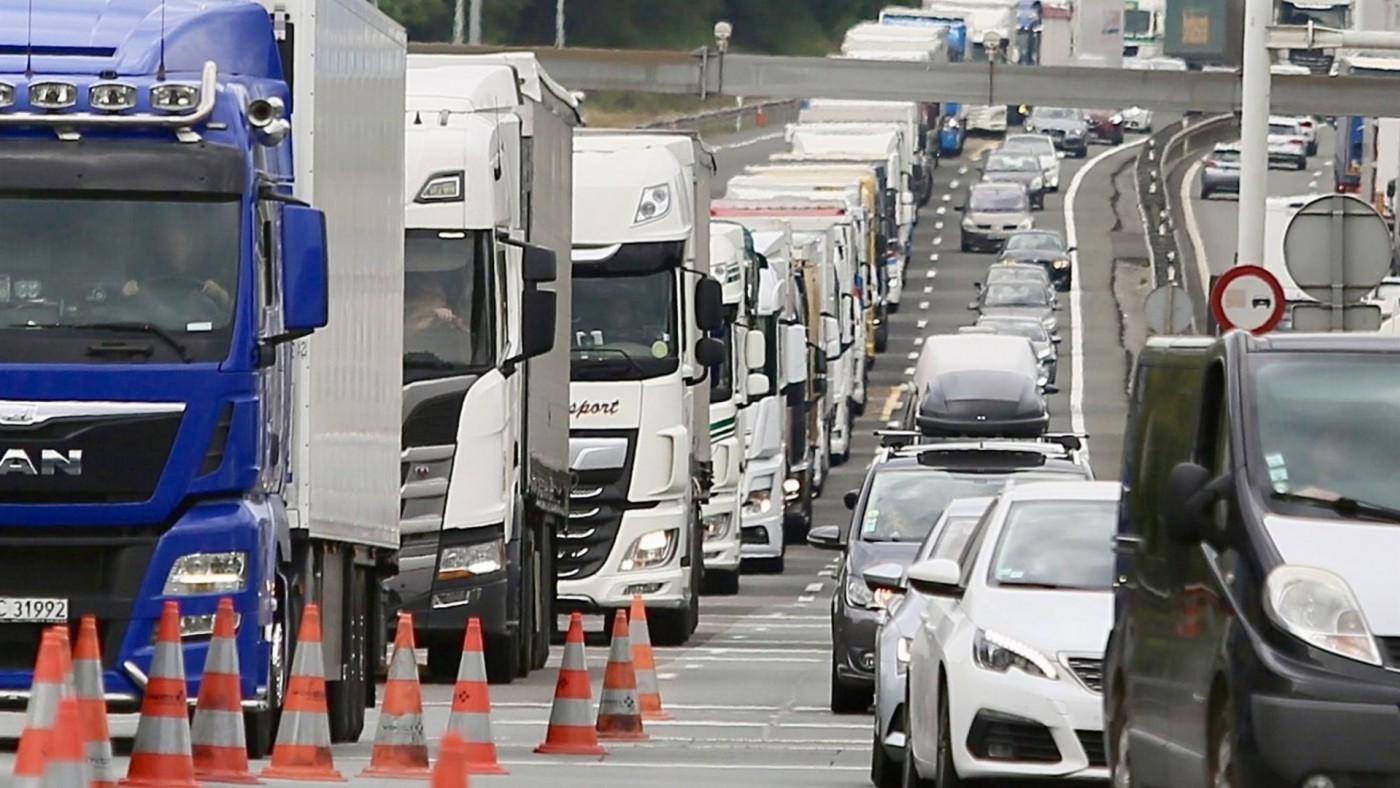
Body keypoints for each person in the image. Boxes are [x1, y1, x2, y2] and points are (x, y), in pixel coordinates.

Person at [121, 225, 230, 307]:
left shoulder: (203, 273)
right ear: (161, 249)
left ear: (189, 247)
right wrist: (129, 291)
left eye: (180, 244)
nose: (175, 250)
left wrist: (219, 294)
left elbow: (230, 308)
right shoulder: (147, 275)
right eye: (170, 245)